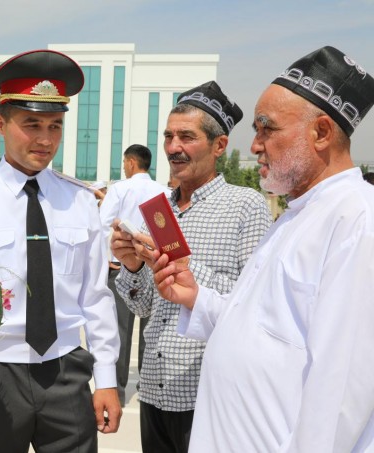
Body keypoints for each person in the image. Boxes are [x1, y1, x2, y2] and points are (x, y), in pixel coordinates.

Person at [151, 46, 374, 452]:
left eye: (266, 129)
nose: (254, 146)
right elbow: (262, 331)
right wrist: (196, 298)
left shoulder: (355, 220)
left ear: (321, 133)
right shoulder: (296, 215)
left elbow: (342, 389)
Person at [0, 49, 122, 452]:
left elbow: (96, 296)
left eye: (55, 125)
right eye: (31, 124)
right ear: (0, 123)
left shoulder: (81, 200)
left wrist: (106, 378)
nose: (44, 139)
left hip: (67, 371)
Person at [110, 81, 272, 452]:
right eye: (168, 136)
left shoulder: (245, 206)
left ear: (219, 146)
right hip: (154, 389)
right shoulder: (159, 209)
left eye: (186, 136)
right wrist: (133, 267)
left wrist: (185, 268)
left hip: (208, 394)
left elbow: (253, 303)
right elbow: (143, 308)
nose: (173, 148)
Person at [98, 144, 171, 407]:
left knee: (120, 329)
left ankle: (116, 391)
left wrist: (108, 259)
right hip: (154, 266)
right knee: (151, 331)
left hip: (124, 267)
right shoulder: (164, 190)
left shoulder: (120, 188)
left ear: (130, 163)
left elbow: (101, 223)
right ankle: (146, 385)